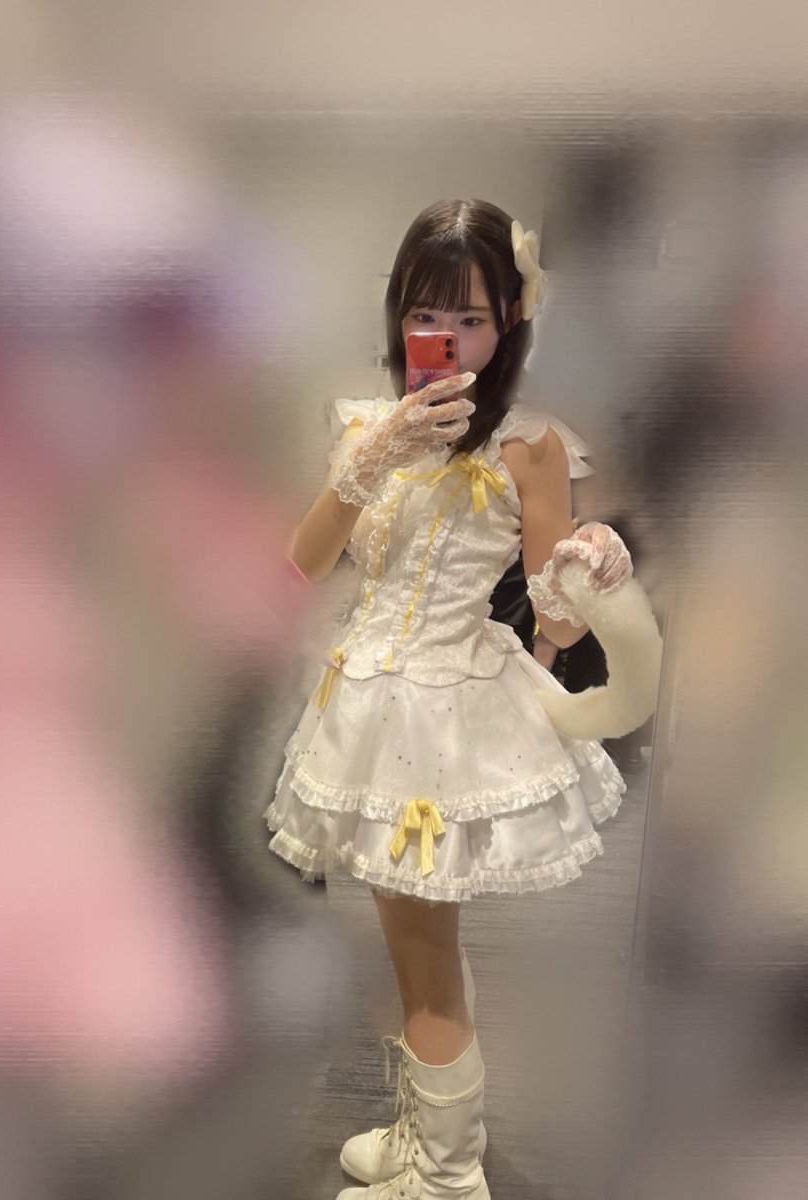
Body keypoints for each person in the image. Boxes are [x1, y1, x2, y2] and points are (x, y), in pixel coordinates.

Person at [264, 198, 642, 1200]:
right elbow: (302, 564)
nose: (446, 339)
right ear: (399, 315)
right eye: (426, 314)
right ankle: (424, 1134)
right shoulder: (363, 426)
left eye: (471, 317)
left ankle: (447, 1171)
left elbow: (555, 623)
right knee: (408, 950)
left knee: (425, 956)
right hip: (362, 707)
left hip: (448, 720)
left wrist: (591, 565)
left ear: (510, 320)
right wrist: (369, 462)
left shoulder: (531, 445)